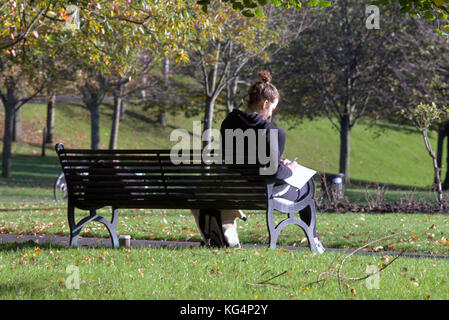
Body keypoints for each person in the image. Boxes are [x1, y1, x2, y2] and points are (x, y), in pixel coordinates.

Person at [192, 70, 321, 250]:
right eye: (272, 109)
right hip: (263, 191)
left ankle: (315, 241)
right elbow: (274, 172)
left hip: (236, 188)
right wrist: (290, 168)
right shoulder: (273, 132)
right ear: (265, 104)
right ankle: (314, 240)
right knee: (307, 186)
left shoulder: (229, 122)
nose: (271, 114)